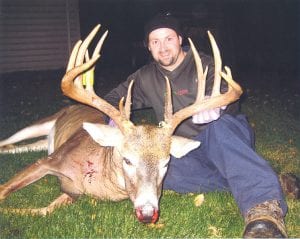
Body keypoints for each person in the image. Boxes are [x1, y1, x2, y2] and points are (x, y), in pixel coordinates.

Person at [104, 13, 287, 238]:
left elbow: (225, 90)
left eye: (168, 38)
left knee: (219, 131)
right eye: (155, 41)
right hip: (185, 148)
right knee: (163, 173)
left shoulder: (205, 64)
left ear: (180, 39)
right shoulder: (145, 77)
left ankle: (264, 215)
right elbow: (111, 99)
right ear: (148, 47)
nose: (163, 47)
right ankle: (259, 180)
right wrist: (112, 118)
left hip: (223, 136)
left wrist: (216, 105)